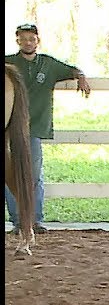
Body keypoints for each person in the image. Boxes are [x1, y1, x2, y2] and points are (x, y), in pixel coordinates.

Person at [5, 22, 91, 234]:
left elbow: (72, 69)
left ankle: (35, 219)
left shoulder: (48, 65)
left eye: (31, 38)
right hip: (10, 129)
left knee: (33, 174)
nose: (27, 42)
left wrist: (80, 77)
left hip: (35, 127)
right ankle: (18, 220)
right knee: (10, 174)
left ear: (37, 41)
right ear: (18, 41)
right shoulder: (8, 64)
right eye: (23, 38)